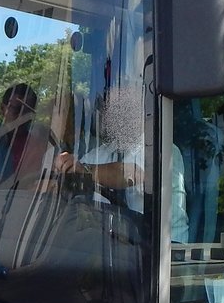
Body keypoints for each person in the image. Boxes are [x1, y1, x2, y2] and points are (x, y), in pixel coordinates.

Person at [51, 87, 189, 242]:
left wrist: (86, 171)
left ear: (140, 113)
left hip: (165, 249)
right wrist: (62, 173)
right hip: (115, 246)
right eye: (109, 109)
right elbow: (78, 170)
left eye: (121, 108)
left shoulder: (161, 148)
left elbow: (133, 175)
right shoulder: (103, 152)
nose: (111, 116)